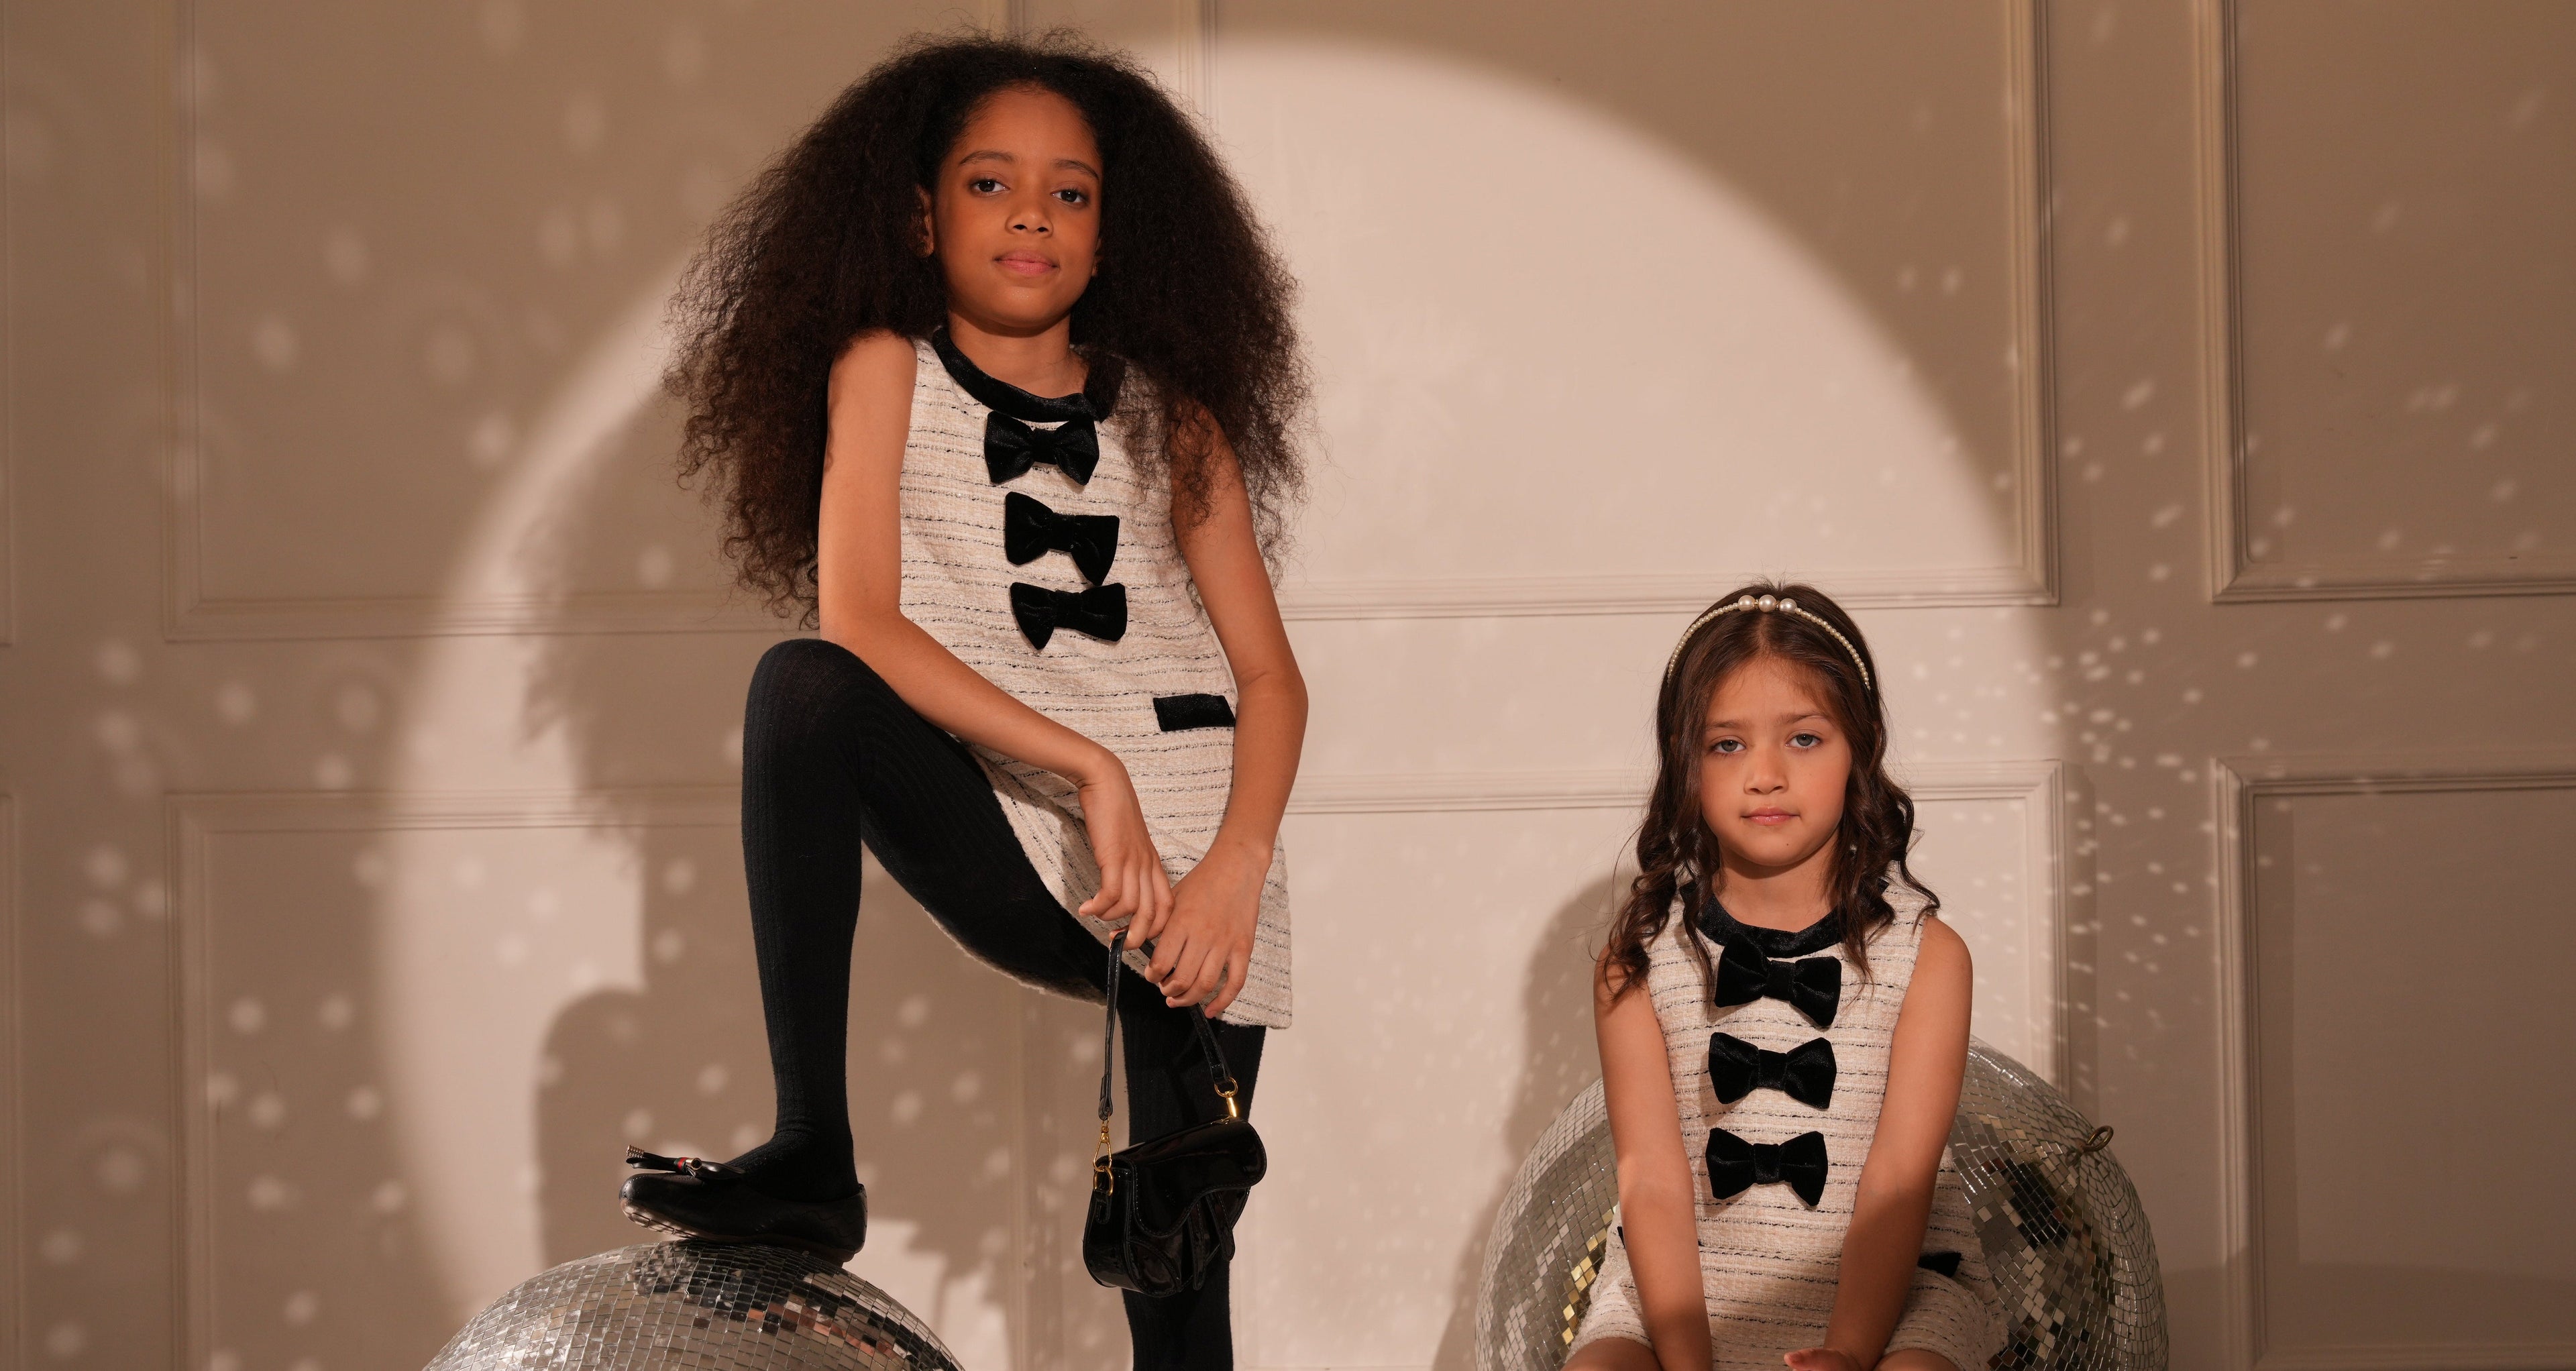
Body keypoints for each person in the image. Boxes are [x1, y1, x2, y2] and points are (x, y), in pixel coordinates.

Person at [619, 32, 1309, 1368]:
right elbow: (860, 619)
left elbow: (1273, 677)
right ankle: (815, 1151)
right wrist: (1088, 768)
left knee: (1176, 1272)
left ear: (1115, 233)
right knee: (803, 690)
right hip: (1017, 810)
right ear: (922, 217)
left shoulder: (1182, 421)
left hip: (1198, 864)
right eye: (992, 185)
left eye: (1072, 190)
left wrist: (1234, 864)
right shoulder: (885, 364)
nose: (1034, 214)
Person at [1568, 585, 2002, 1371]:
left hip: (1889, 1295)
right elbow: (1654, 1181)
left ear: (1859, 751)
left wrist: (1848, 1351)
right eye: (1726, 745)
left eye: (1803, 739)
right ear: (1684, 765)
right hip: (1683, 1296)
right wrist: (1689, 1362)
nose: (1765, 775)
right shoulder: (1637, 961)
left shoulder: (1928, 958)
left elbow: (1902, 1175)